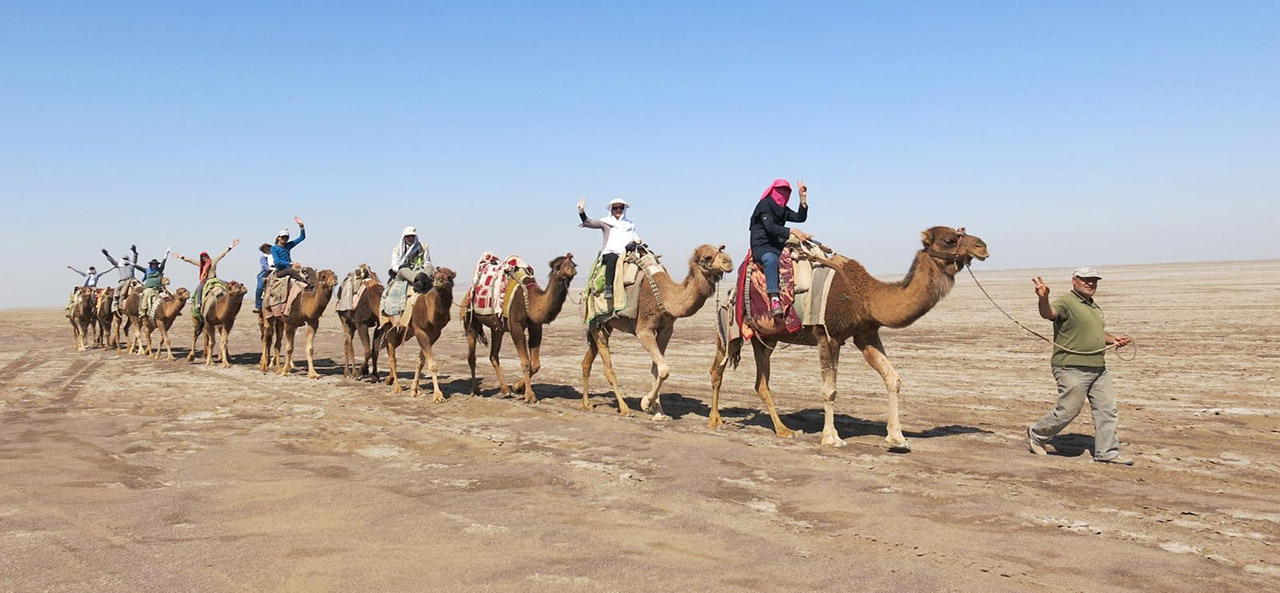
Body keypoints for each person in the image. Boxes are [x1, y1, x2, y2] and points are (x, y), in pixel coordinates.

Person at [1027, 267, 1134, 465]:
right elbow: (1048, 313)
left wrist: (1112, 339)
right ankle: (1037, 434)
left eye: (1094, 280)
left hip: (1098, 367)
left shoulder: (1093, 306)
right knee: (1068, 410)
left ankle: (1107, 453)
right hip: (1071, 366)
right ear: (1074, 280)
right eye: (1086, 279)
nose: (1090, 283)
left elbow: (1093, 334)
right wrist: (1043, 297)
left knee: (1107, 410)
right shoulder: (1067, 302)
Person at [748, 179, 810, 316]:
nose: (783, 193)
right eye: (780, 190)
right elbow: (770, 228)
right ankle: (774, 297)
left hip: (778, 245)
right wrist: (792, 231)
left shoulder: (782, 209)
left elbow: (800, 218)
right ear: (772, 190)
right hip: (762, 246)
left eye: (786, 191)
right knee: (770, 260)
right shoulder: (765, 206)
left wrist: (803, 199)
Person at [578, 197, 641, 312]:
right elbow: (588, 222)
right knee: (613, 258)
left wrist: (637, 241)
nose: (618, 210)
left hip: (627, 253)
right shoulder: (606, 222)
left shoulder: (630, 224)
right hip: (610, 253)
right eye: (615, 208)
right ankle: (608, 287)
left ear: (624, 209)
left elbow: (635, 237)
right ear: (611, 209)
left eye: (620, 207)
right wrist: (581, 212)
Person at [174, 239, 240, 320]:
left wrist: (231, 246)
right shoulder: (201, 265)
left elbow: (221, 255)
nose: (204, 258)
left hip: (215, 279)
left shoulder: (213, 262)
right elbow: (191, 261)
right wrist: (181, 257)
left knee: (229, 285)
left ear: (207, 256)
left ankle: (233, 304)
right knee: (199, 288)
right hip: (206, 281)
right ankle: (199, 303)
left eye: (205, 257)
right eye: (202, 257)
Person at [390, 226, 435, 293]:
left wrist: (424, 270)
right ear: (404, 237)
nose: (410, 238)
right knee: (403, 270)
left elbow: (427, 262)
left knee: (430, 267)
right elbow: (394, 266)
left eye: (412, 236)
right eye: (408, 236)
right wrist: (400, 267)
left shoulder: (423, 247)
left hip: (421, 271)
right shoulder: (397, 250)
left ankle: (422, 280)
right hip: (405, 274)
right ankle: (419, 280)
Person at [132, 249, 172, 319]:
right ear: (151, 265)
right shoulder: (147, 270)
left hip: (159, 288)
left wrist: (166, 254)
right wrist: (131, 263)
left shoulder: (159, 270)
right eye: (153, 264)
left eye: (156, 264)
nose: (154, 265)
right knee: (146, 295)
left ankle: (172, 310)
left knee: (170, 294)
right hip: (149, 288)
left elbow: (163, 263)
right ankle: (143, 311)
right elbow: (139, 268)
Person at [271, 217, 308, 284]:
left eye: (286, 238)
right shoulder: (274, 248)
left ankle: (314, 286)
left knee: (308, 270)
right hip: (281, 271)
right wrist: (290, 263)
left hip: (291, 268)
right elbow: (277, 261)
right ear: (279, 238)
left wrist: (301, 227)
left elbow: (302, 237)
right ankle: (305, 283)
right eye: (283, 237)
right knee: (289, 271)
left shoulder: (288, 245)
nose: (284, 239)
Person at [102, 245, 141, 309]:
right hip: (123, 281)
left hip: (132, 280)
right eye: (124, 259)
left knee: (141, 287)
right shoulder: (119, 265)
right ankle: (116, 300)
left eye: (126, 259)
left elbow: (135, 260)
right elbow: (112, 261)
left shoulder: (131, 265)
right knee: (117, 288)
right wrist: (107, 255)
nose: (125, 260)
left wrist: (134, 252)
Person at [254, 243, 273, 314]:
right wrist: (271, 269)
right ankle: (258, 306)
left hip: (276, 272)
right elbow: (265, 266)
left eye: (268, 247)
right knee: (259, 288)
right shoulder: (263, 258)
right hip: (264, 275)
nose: (267, 249)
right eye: (265, 248)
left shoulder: (275, 256)